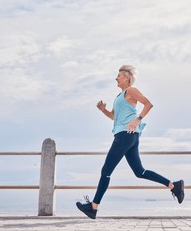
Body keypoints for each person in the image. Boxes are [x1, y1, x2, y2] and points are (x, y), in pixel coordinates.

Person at [76, 65, 184, 219]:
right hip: (128, 136)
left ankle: (93, 207)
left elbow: (148, 104)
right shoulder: (118, 97)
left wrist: (137, 119)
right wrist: (102, 110)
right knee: (140, 172)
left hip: (126, 135)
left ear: (127, 78)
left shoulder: (131, 91)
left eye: (119, 76)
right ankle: (174, 185)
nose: (116, 78)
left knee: (106, 171)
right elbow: (114, 117)